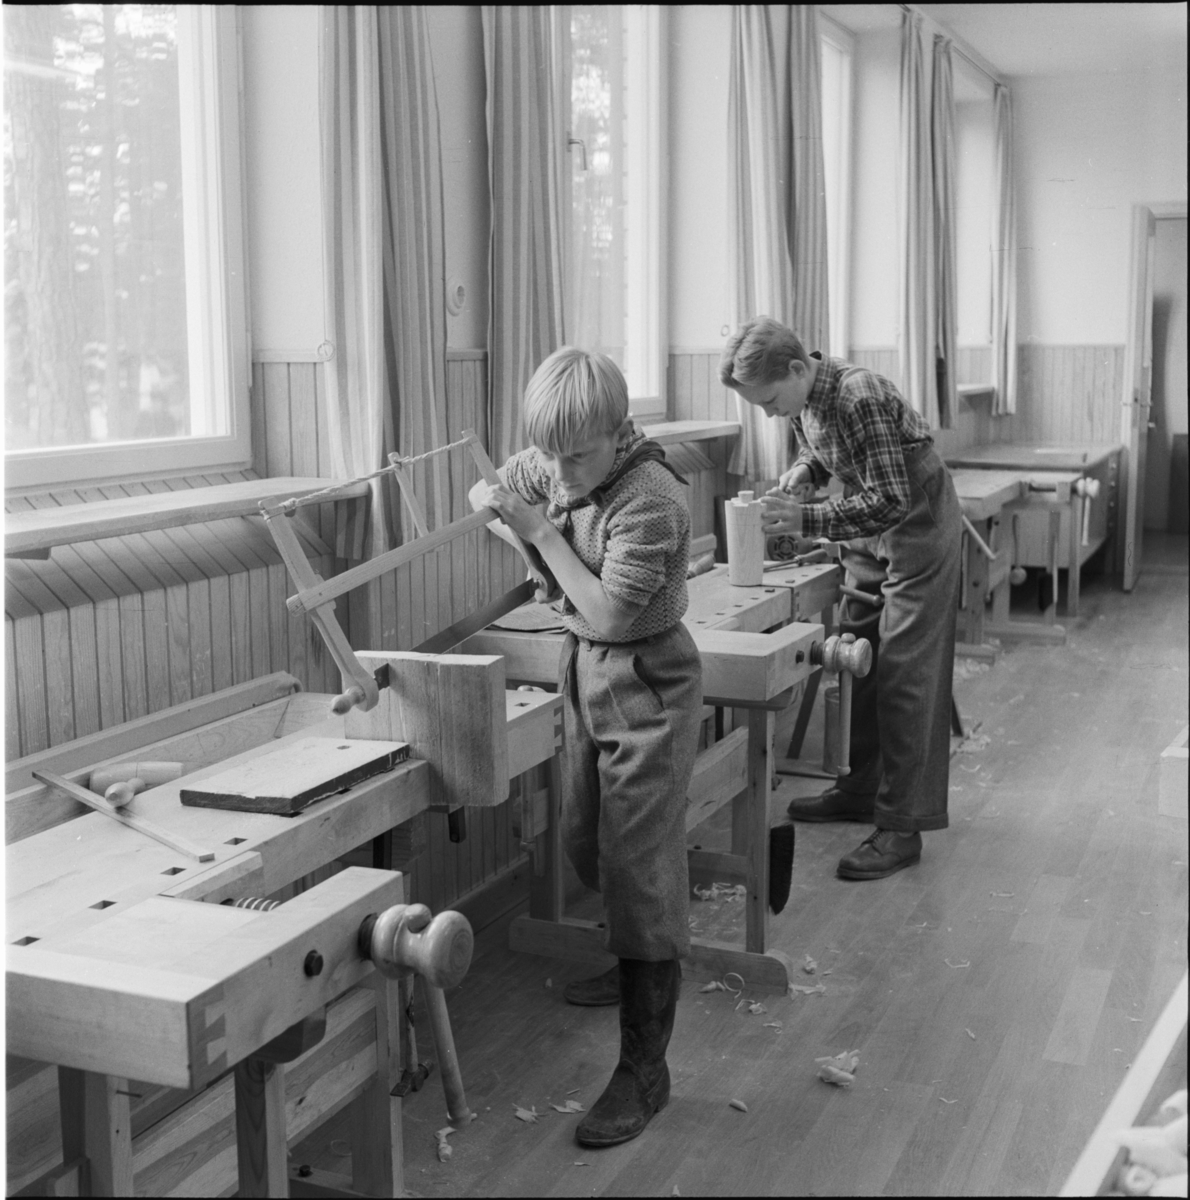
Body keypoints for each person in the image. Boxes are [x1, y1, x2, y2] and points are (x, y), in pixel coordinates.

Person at [468, 346, 701, 1148]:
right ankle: (633, 955)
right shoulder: (556, 456)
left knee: (640, 866)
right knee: (587, 840)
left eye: (577, 457)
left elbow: (606, 613)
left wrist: (537, 530)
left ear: (618, 430)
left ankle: (646, 1069)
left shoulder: (653, 498)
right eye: (549, 453)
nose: (559, 473)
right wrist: (503, 508)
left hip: (647, 676)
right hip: (583, 668)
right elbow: (495, 488)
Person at [719, 316, 962, 882]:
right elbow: (824, 449)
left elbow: (891, 499)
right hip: (869, 530)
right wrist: (805, 469)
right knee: (858, 656)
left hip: (915, 523)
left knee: (905, 674)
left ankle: (903, 826)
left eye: (770, 401)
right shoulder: (806, 397)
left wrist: (805, 518)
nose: (769, 414)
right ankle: (860, 789)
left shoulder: (859, 396)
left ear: (797, 367)